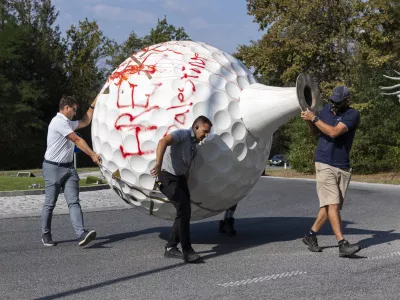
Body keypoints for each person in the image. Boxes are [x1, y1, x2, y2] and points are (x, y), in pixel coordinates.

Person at [300, 86, 361, 257]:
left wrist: (314, 118)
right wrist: (309, 121)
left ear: (347, 100)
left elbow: (334, 132)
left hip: (342, 165)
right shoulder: (326, 110)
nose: (333, 104)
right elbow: (315, 131)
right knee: (332, 204)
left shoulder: (352, 115)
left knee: (329, 208)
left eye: (337, 102)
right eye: (332, 101)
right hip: (324, 162)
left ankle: (310, 236)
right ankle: (342, 244)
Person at [150, 116, 212, 263]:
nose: (206, 135)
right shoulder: (183, 134)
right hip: (167, 176)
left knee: (185, 211)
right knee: (183, 208)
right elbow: (163, 141)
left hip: (180, 179)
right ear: (196, 127)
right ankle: (187, 250)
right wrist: (158, 164)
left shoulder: (194, 146)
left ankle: (171, 248)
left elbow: (186, 166)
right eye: (205, 131)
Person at [41, 95, 101, 247]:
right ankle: (46, 234)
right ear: (66, 108)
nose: (75, 112)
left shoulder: (67, 122)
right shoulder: (58, 122)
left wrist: (93, 103)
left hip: (68, 168)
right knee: (50, 203)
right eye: (74, 110)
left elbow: (85, 121)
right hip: (52, 168)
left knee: (74, 201)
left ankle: (81, 233)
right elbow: (76, 140)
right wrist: (92, 154)